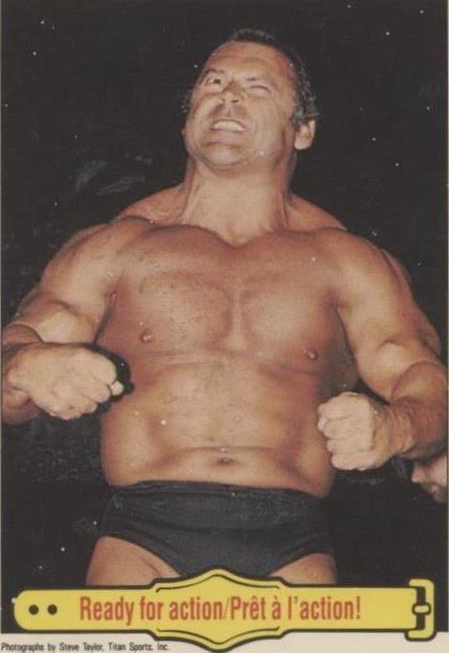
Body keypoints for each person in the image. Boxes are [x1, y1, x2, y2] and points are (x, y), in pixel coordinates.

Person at [2, 29, 447, 586]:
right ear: (187, 117)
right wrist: (26, 366)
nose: (228, 96)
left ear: (303, 130)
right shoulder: (113, 247)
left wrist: (396, 426)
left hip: (292, 539)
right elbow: (11, 370)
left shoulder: (350, 261)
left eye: (257, 87)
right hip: (141, 535)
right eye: (213, 83)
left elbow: (425, 381)